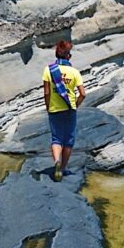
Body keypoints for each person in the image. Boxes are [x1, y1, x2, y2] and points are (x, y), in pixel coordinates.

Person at [42, 40, 85, 181]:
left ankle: (56, 162)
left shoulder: (49, 70)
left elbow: (47, 93)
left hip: (54, 110)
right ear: (68, 56)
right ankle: (63, 168)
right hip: (69, 109)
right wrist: (76, 105)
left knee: (56, 139)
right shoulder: (74, 72)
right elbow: (83, 94)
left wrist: (48, 107)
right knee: (68, 140)